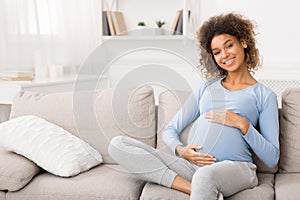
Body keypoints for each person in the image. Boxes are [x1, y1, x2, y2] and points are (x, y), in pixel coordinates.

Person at [108, 12, 279, 199]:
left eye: (229, 45)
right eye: (217, 52)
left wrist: (243, 124)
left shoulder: (264, 95)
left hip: (237, 168)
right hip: (192, 167)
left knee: (205, 176)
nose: (224, 55)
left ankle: (203, 185)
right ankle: (193, 187)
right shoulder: (207, 87)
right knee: (118, 145)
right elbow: (171, 129)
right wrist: (181, 150)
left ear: (244, 42)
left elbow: (272, 158)